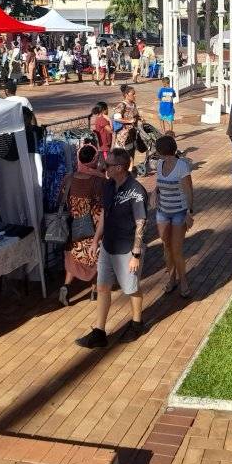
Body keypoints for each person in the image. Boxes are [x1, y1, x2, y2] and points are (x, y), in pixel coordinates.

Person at [76, 148, 148, 348]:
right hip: (108, 246)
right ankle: (99, 331)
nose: (103, 167)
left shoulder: (136, 191)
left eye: (107, 165)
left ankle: (137, 323)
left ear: (119, 167)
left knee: (131, 288)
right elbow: (103, 215)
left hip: (127, 248)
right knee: (103, 286)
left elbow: (141, 223)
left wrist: (136, 254)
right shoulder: (108, 186)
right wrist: (95, 240)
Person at [58, 144, 106, 306]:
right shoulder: (99, 181)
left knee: (72, 259)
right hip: (91, 230)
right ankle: (93, 291)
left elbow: (60, 201)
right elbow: (102, 210)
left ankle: (65, 287)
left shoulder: (68, 179)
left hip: (72, 228)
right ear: (94, 160)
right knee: (93, 260)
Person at [154, 135, 194, 297]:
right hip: (162, 212)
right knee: (167, 248)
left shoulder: (182, 166)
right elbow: (159, 184)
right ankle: (171, 279)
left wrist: (189, 212)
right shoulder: (159, 164)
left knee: (176, 250)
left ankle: (183, 281)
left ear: (161, 151)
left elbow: (188, 190)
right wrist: (154, 193)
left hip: (179, 213)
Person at [112, 85, 140, 169]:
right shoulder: (122, 105)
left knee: (131, 153)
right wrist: (129, 121)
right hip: (123, 137)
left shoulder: (133, 104)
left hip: (132, 134)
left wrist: (140, 118)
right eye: (133, 94)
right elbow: (117, 118)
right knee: (122, 156)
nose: (135, 95)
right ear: (127, 94)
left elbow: (136, 115)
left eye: (135, 94)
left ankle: (130, 170)